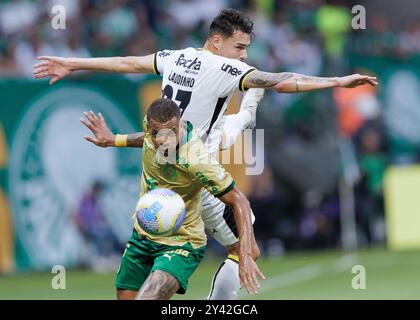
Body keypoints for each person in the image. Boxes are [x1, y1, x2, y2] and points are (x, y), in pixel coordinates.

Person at [34, 8, 377, 299]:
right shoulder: (225, 69)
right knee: (247, 249)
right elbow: (282, 80)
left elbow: (128, 62)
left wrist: (72, 62)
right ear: (217, 42)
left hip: (160, 169)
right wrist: (336, 81)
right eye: (239, 46)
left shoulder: (176, 57)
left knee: (234, 127)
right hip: (197, 176)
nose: (243, 55)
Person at [82, 98, 265, 299]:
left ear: (179, 125)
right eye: (155, 133)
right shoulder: (153, 129)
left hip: (181, 243)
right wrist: (114, 140)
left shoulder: (196, 159)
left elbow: (240, 201)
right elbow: (146, 138)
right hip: (142, 236)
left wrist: (246, 254)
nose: (161, 140)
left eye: (169, 133)